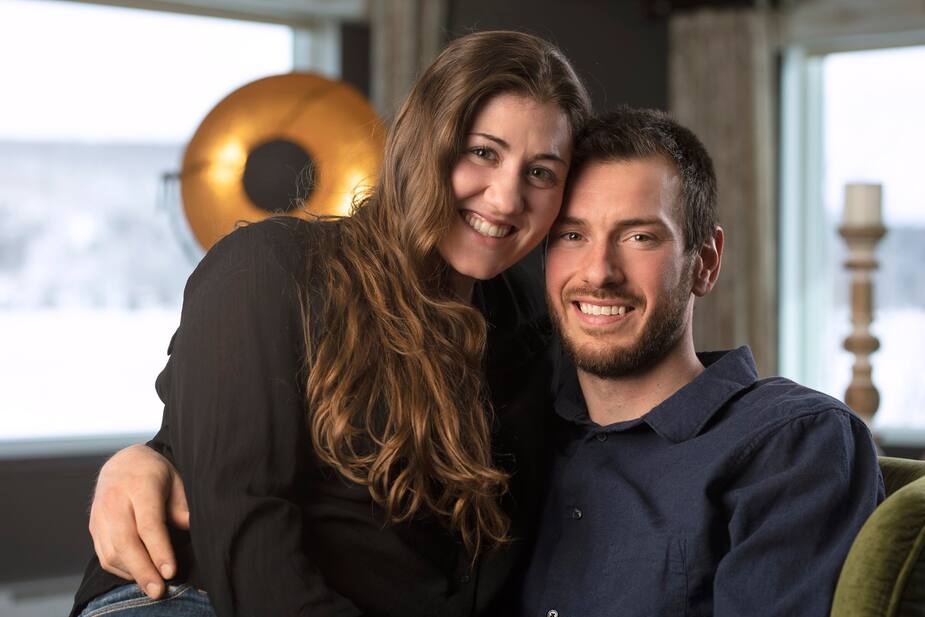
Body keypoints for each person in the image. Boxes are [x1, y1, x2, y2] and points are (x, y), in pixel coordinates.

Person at [71, 30, 591, 617]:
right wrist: (146, 457)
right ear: (426, 143)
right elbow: (247, 527)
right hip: (194, 595)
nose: (505, 198)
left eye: (541, 173)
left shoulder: (535, 326)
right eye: (482, 152)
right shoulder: (272, 267)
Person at [520, 108, 884, 616]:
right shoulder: (520, 437)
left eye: (639, 237)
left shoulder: (794, 443)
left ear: (706, 261)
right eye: (572, 235)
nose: (598, 272)